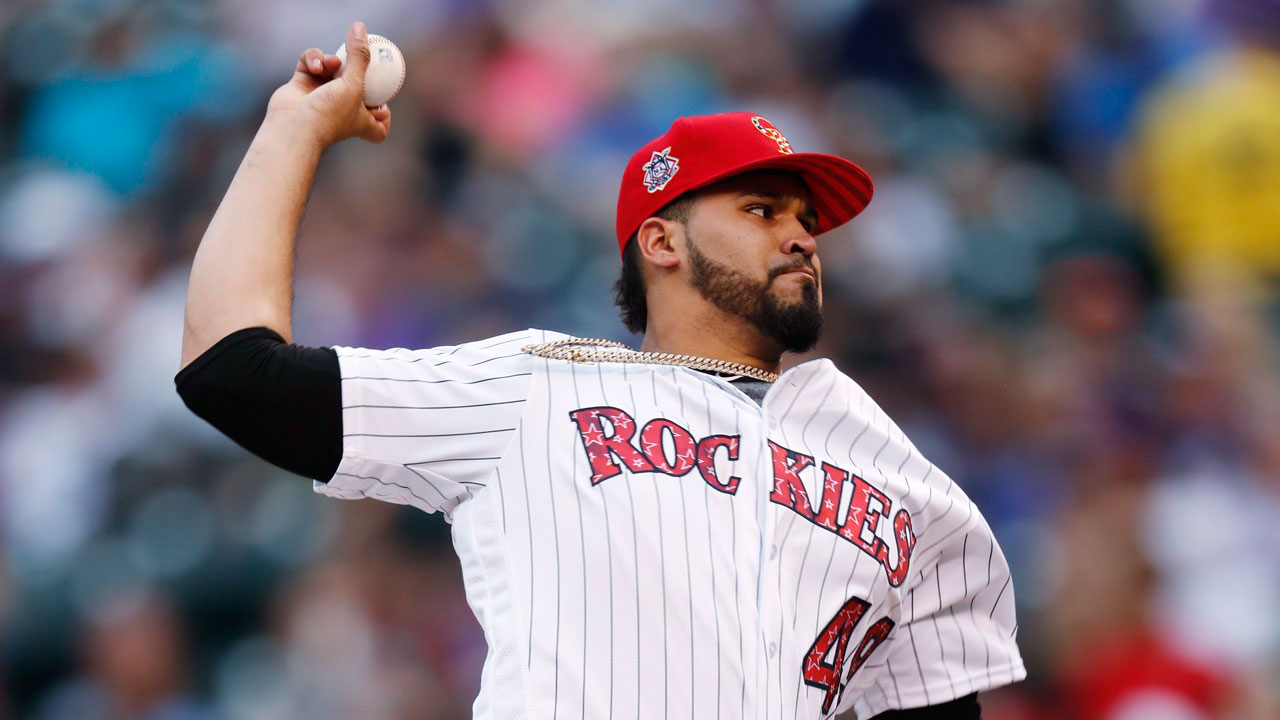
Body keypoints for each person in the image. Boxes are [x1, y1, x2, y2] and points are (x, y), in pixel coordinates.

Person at [177, 22, 1025, 719]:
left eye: (806, 218)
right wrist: (294, 129)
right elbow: (231, 371)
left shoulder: (909, 482)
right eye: (762, 210)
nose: (802, 236)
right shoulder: (538, 388)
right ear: (661, 242)